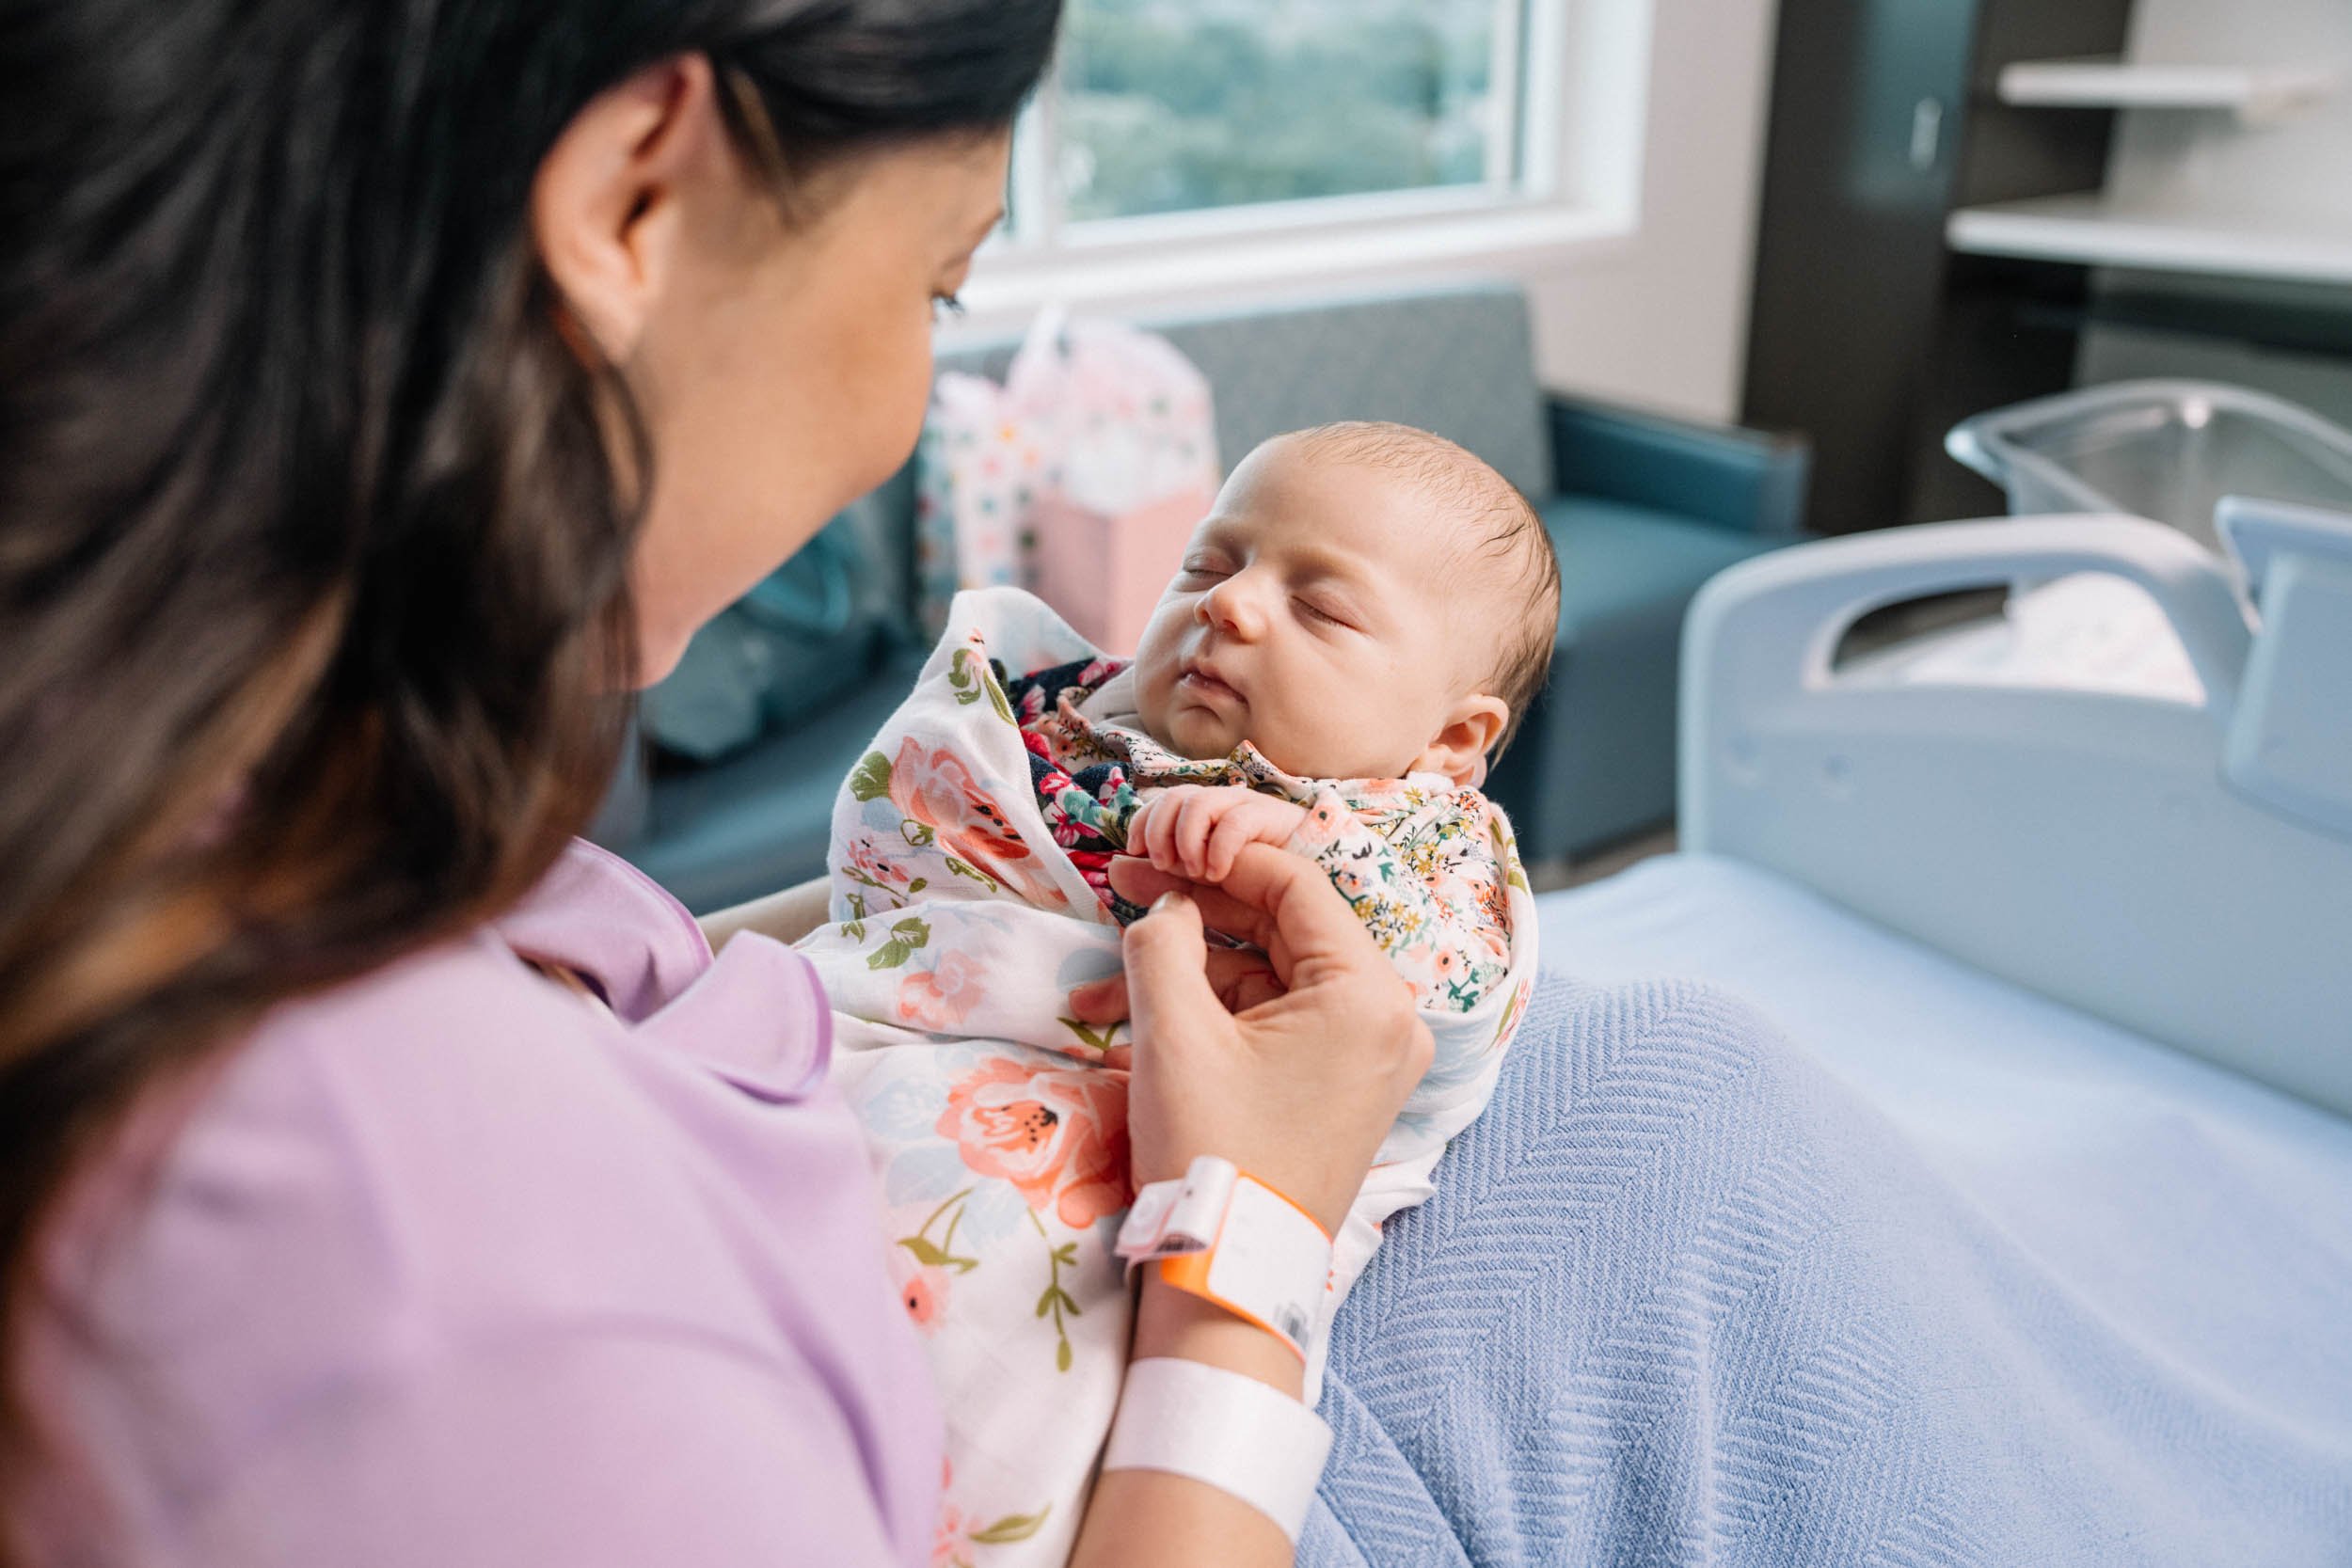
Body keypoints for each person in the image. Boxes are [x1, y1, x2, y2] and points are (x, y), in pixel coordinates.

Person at [0, 2, 1430, 1562]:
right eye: (937, 284)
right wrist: (1252, 1244)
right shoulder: (472, 1310)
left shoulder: (238, 777)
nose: (903, 414)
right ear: (634, 200)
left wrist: (968, 905)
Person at [787, 420, 1559, 1559]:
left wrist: (1311, 851)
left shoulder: (1429, 849)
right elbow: (896, 859)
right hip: (901, 1058)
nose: (1231, 605)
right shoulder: (1073, 717)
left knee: (994, 1386)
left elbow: (1440, 1012)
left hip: (1151, 1191)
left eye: (1323, 606)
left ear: (1451, 739)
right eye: (1207, 563)